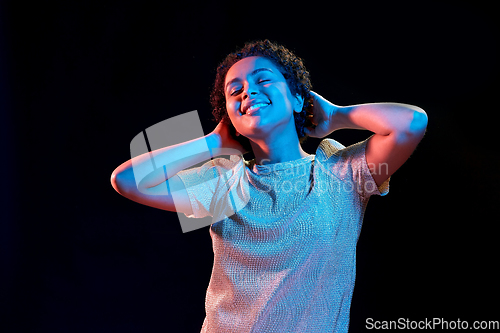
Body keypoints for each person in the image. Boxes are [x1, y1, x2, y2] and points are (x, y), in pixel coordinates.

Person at [110, 39, 428, 332]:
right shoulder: (226, 181)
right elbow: (126, 181)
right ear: (230, 118)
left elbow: (411, 123)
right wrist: (212, 142)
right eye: (235, 91)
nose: (248, 91)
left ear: (297, 97)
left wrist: (336, 116)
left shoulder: (341, 171)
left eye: (263, 80)